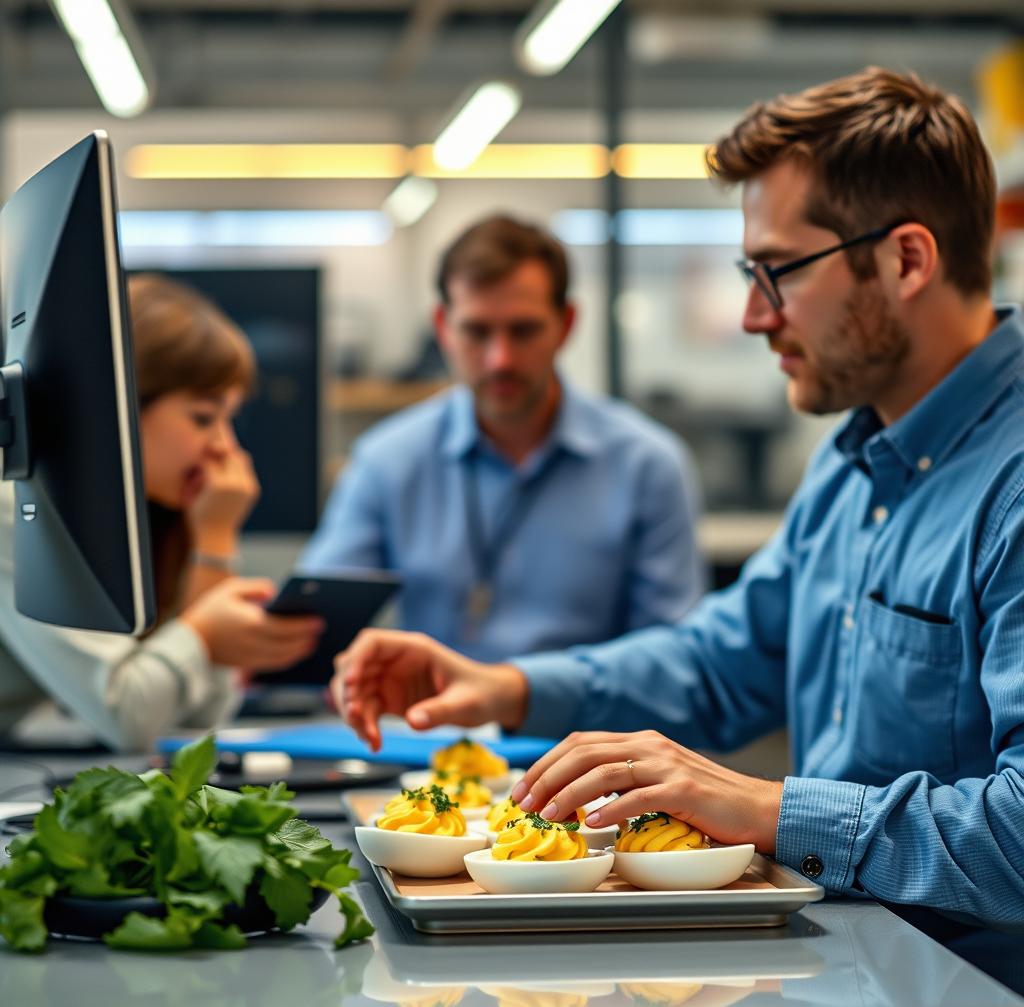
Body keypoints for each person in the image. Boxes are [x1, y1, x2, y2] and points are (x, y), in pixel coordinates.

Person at [331, 68, 1024, 937]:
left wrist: (768, 810)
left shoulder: (1010, 489)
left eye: (778, 272)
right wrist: (505, 688)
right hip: (844, 956)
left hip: (966, 985)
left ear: (906, 260)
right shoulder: (853, 463)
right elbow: (719, 664)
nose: (753, 316)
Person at [300, 216, 705, 663]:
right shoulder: (387, 461)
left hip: (584, 712)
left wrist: (528, 692)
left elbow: (669, 661)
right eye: (477, 331)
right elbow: (317, 626)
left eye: (524, 330)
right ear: (443, 327)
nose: (500, 359)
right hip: (433, 711)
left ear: (567, 324)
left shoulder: (648, 467)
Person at [0, 274, 322, 751]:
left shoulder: (150, 518)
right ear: (121, 408)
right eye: (203, 417)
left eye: (230, 419)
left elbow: (195, 719)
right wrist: (203, 632)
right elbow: (127, 717)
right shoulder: (16, 511)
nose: (225, 446)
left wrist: (214, 541)